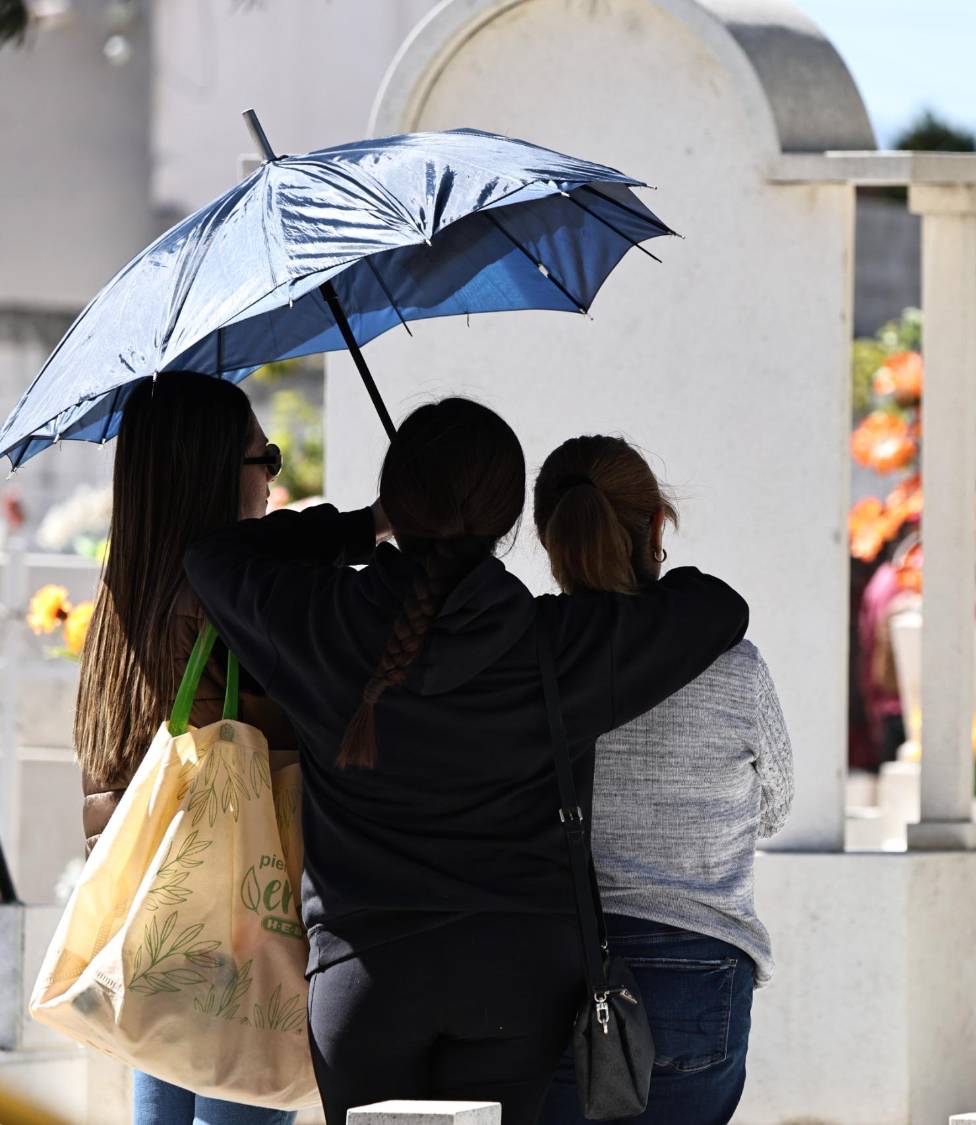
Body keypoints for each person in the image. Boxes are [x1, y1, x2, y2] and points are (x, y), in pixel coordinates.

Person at [182, 400, 748, 1125]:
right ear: (512, 518)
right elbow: (717, 606)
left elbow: (214, 555)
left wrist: (366, 523)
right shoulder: (559, 646)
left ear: (398, 496)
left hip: (363, 977)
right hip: (521, 979)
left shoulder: (319, 620)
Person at [531, 436, 792, 1125]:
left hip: (559, 965)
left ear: (549, 538)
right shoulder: (736, 665)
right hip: (699, 969)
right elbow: (775, 807)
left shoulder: (526, 659)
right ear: (656, 528)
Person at [73, 374, 298, 1125]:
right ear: (209, 470)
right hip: (238, 921)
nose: (273, 473)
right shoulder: (234, 598)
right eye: (260, 454)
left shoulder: (121, 592)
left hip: (154, 923)